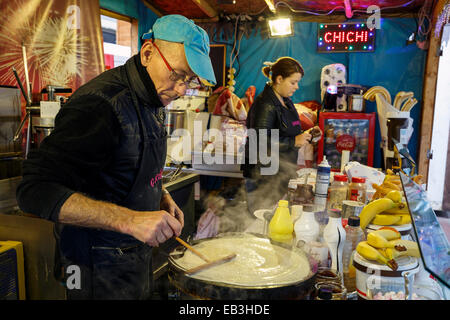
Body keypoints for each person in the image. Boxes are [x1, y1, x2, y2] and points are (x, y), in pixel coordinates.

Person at [16, 14, 216, 300]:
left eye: (190, 79)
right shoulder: (99, 105)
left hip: (131, 260)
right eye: (177, 75)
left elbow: (123, 167)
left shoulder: (152, 96)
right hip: (91, 266)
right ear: (148, 53)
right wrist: (130, 220)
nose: (182, 89)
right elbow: (34, 190)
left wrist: (156, 194)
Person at [242, 57, 321, 215]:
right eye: (293, 82)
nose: (297, 87)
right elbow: (260, 141)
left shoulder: (286, 101)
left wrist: (306, 135)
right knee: (260, 221)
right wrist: (293, 141)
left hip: (280, 174)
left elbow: (285, 131)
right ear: (279, 79)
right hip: (263, 177)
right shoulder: (265, 104)